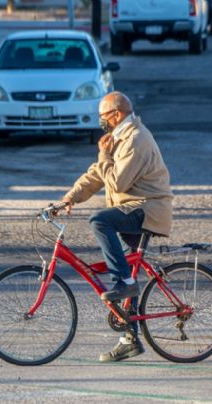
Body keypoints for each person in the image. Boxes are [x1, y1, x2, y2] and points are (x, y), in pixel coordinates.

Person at [62, 91, 174, 362]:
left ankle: (123, 281)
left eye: (102, 116)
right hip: (132, 209)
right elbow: (98, 173)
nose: (100, 121)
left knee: (100, 221)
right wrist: (70, 197)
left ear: (116, 114)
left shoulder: (135, 139)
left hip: (146, 210)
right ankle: (129, 339)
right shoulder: (120, 137)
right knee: (128, 269)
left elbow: (117, 183)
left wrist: (103, 155)